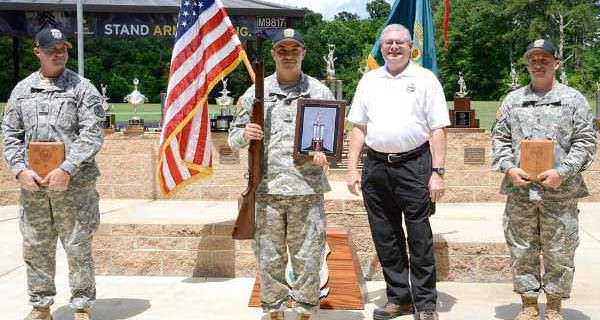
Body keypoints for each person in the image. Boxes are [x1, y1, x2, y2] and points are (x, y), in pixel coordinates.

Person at [228, 28, 334, 320]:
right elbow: (232, 138)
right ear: (274, 54)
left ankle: (304, 310)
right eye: (282, 50)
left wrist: (325, 154)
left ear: (304, 53)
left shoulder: (319, 92)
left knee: (308, 257)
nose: (288, 55)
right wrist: (245, 134)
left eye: (294, 50)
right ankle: (273, 310)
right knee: (269, 257)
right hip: (267, 190)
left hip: (307, 190)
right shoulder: (255, 92)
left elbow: (330, 140)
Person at [346, 24, 449, 320]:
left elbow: (438, 129)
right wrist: (353, 168)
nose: (393, 47)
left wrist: (437, 171)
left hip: (414, 165)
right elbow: (359, 127)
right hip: (376, 167)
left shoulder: (425, 79)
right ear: (381, 46)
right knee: (385, 236)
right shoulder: (369, 80)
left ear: (410, 46)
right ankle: (399, 298)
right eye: (388, 42)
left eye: (399, 43)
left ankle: (426, 303)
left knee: (419, 237)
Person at [1, 28, 105, 320]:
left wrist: (67, 168)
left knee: (77, 245)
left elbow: (93, 134)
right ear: (38, 52)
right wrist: (19, 170)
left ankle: (82, 306)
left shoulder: (83, 88)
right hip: (34, 187)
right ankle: (41, 305)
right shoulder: (22, 90)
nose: (58, 53)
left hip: (74, 186)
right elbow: (10, 135)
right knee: (36, 247)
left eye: (63, 48)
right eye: (51, 49)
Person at [491, 39, 597, 320]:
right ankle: (527, 303)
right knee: (521, 246)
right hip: (520, 190)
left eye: (544, 59)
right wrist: (509, 168)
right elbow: (499, 139)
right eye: (533, 60)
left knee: (559, 248)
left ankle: (553, 305)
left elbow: (586, 141)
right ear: (527, 65)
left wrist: (563, 172)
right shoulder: (512, 101)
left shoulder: (574, 100)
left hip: (559, 191)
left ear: (556, 64)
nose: (539, 64)